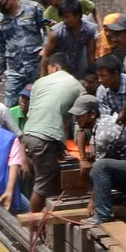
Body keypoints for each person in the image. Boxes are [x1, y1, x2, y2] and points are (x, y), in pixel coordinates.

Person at [69, 95, 126, 223]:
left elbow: (99, 169)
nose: (76, 119)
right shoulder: (102, 123)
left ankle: (103, 214)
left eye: (80, 115)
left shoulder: (104, 133)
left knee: (99, 167)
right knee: (98, 168)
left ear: (92, 114)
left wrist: (93, 201)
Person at [21, 52, 84, 212]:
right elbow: (81, 120)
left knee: (47, 177)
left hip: (29, 134)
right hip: (44, 138)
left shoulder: (38, 83)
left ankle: (42, 219)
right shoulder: (77, 86)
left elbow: (34, 113)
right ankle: (34, 224)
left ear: (55, 67)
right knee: (42, 186)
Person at [0, 0, 47, 108]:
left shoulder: (33, 8)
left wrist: (45, 48)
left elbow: (48, 28)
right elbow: (0, 46)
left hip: (36, 65)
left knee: (39, 101)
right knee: (11, 104)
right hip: (14, 69)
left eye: (1, 3)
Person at [41, 0, 97, 79]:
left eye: (67, 17)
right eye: (63, 18)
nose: (65, 20)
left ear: (78, 15)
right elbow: (46, 56)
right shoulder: (56, 33)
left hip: (77, 67)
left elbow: (90, 54)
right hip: (58, 70)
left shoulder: (89, 29)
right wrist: (42, 79)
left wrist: (93, 74)